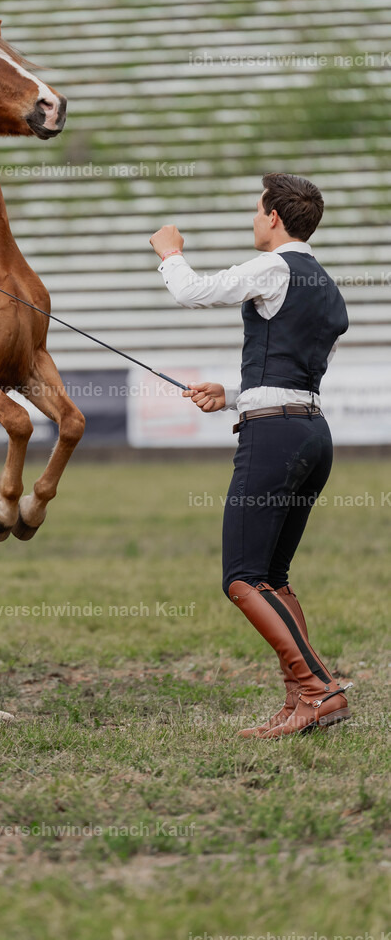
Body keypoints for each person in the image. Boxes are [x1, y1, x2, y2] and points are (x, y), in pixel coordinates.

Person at [149, 172, 352, 739]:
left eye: (258, 210)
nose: (254, 219)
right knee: (272, 578)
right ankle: (301, 701)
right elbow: (293, 372)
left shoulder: (274, 267)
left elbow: (193, 292)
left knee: (241, 577)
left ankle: (318, 690)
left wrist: (170, 253)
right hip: (312, 433)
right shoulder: (326, 285)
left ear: (274, 217)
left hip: (274, 439)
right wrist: (233, 395)